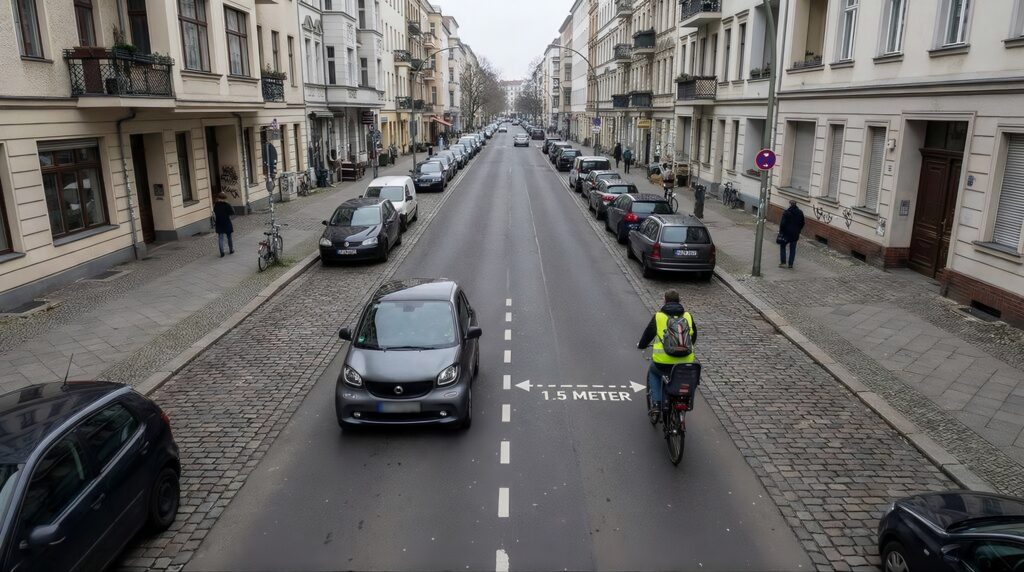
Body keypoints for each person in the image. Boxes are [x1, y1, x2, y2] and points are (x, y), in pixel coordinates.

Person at [637, 290, 697, 414]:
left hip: (662, 363)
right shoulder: (688, 316)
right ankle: (683, 402)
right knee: (682, 378)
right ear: (679, 301)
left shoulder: (659, 316)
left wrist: (641, 345)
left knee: (653, 372)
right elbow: (693, 338)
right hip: (685, 362)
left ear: (664, 301)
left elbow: (648, 335)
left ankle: (657, 403)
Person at [778, 200, 806, 269]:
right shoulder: (800, 213)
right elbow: (802, 223)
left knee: (783, 246)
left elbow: (782, 224)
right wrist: (798, 230)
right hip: (795, 234)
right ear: (796, 205)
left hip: (786, 233)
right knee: (793, 249)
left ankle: (783, 262)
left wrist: (781, 232)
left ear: (790, 204)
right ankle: (790, 264)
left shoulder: (786, 212)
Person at [212, 193, 234, 258]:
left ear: (218, 198)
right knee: (229, 236)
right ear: (225, 198)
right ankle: (231, 249)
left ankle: (222, 252)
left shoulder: (216, 205)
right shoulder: (227, 205)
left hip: (219, 222)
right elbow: (232, 212)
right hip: (226, 222)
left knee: (220, 238)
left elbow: (215, 212)